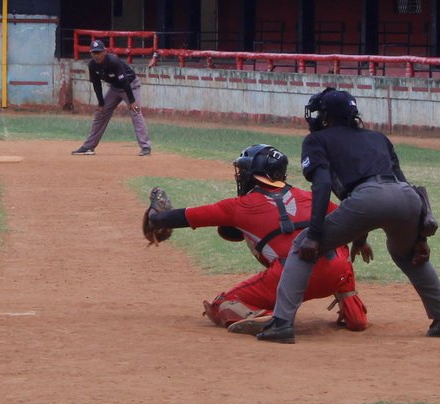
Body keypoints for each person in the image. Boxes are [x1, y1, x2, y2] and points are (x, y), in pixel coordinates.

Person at [257, 88, 440, 344]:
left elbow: (323, 186)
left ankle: (281, 323)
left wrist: (315, 235)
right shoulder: (378, 138)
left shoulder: (317, 140)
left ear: (326, 116)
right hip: (406, 198)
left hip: (367, 198)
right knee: (409, 255)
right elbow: (401, 184)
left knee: (301, 247)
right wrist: (420, 238)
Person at [145, 143, 369, 335]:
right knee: (338, 251)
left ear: (253, 175)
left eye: (243, 172)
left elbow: (187, 216)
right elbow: (353, 221)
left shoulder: (239, 206)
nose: (240, 176)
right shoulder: (310, 197)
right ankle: (354, 313)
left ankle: (268, 316)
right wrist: (362, 242)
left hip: (290, 275)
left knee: (223, 304)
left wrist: (156, 217)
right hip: (337, 271)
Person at [71, 38, 151, 156]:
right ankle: (89, 147)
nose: (96, 56)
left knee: (136, 112)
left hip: (130, 86)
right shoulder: (92, 65)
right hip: (114, 88)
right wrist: (101, 104)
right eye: (94, 53)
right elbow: (96, 84)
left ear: (104, 52)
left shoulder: (113, 61)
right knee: (100, 114)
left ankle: (145, 147)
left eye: (99, 52)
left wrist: (132, 101)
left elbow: (124, 81)